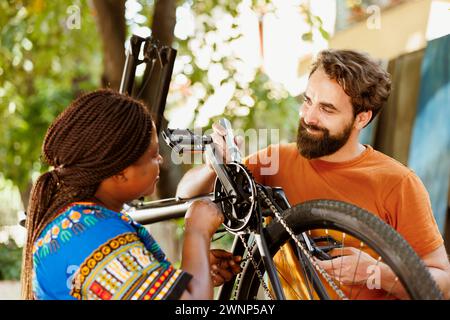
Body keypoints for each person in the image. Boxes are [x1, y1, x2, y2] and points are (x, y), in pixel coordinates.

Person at [176, 49, 450, 299]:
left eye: (327, 109)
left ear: (362, 118)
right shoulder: (277, 161)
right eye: (308, 101)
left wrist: (374, 273)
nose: (309, 117)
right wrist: (215, 165)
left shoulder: (398, 183)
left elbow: (442, 283)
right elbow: (186, 195)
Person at [21, 89, 241, 300]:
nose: (161, 161)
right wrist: (197, 232)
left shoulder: (81, 225)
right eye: (153, 155)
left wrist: (196, 270)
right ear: (120, 170)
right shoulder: (92, 235)